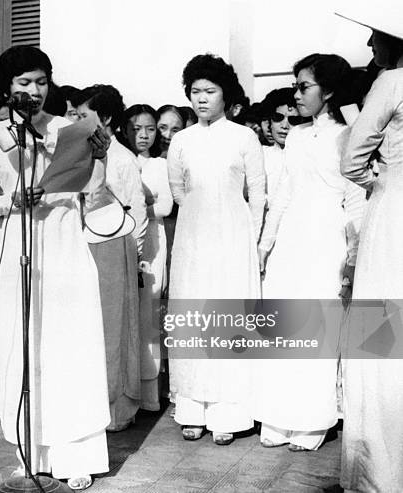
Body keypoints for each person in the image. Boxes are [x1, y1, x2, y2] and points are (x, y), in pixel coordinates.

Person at [0, 46, 110, 490]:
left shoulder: (69, 129)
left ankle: (76, 455)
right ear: (6, 88)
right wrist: (10, 202)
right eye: (24, 82)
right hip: (20, 250)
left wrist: (100, 156)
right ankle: (32, 452)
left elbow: (96, 190)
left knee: (70, 348)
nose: (34, 90)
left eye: (41, 81)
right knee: (25, 348)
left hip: (66, 248)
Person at [256, 54, 366, 451]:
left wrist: (353, 252)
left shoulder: (350, 134)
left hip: (326, 239)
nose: (297, 94)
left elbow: (355, 199)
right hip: (290, 241)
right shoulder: (298, 136)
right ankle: (277, 418)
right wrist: (266, 244)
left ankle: (309, 422)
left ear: (330, 91)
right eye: (296, 85)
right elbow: (283, 193)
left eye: (304, 87)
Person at [167, 54, 265, 445]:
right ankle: (192, 408)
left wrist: (251, 241)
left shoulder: (244, 137)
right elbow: (178, 189)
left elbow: (257, 193)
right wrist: (196, 214)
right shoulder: (181, 140)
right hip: (193, 240)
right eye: (195, 92)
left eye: (210, 91)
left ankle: (229, 413)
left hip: (233, 240)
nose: (202, 99)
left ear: (226, 94)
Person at [336, 3, 403, 491]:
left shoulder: (391, 82)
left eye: (376, 34)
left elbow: (352, 158)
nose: (369, 45)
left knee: (383, 326)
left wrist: (378, 179)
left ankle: (380, 471)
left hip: (395, 208)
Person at [75, 84, 148, 432]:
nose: (75, 120)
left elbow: (138, 213)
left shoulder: (122, 158)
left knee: (115, 330)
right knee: (91, 330)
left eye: (83, 115)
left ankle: (119, 410)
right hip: (87, 249)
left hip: (116, 250)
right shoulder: (80, 153)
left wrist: (133, 256)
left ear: (105, 118)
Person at [121, 104, 173, 412]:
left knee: (148, 312)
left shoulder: (159, 165)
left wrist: (137, 208)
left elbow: (165, 207)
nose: (143, 135)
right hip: (120, 237)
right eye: (137, 128)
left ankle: (149, 393)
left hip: (151, 239)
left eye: (150, 129)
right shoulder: (118, 160)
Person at [260, 88, 300, 208]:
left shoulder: (307, 157)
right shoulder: (260, 154)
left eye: (293, 120)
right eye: (278, 118)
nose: (284, 126)